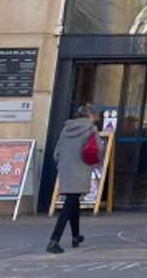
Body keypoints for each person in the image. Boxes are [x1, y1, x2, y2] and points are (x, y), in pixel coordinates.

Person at [47, 104, 97, 253]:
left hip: (65, 168)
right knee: (69, 205)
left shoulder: (66, 129)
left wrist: (62, 163)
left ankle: (76, 236)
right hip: (81, 168)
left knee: (73, 201)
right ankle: (54, 240)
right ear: (90, 116)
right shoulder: (91, 129)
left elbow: (57, 152)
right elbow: (98, 148)